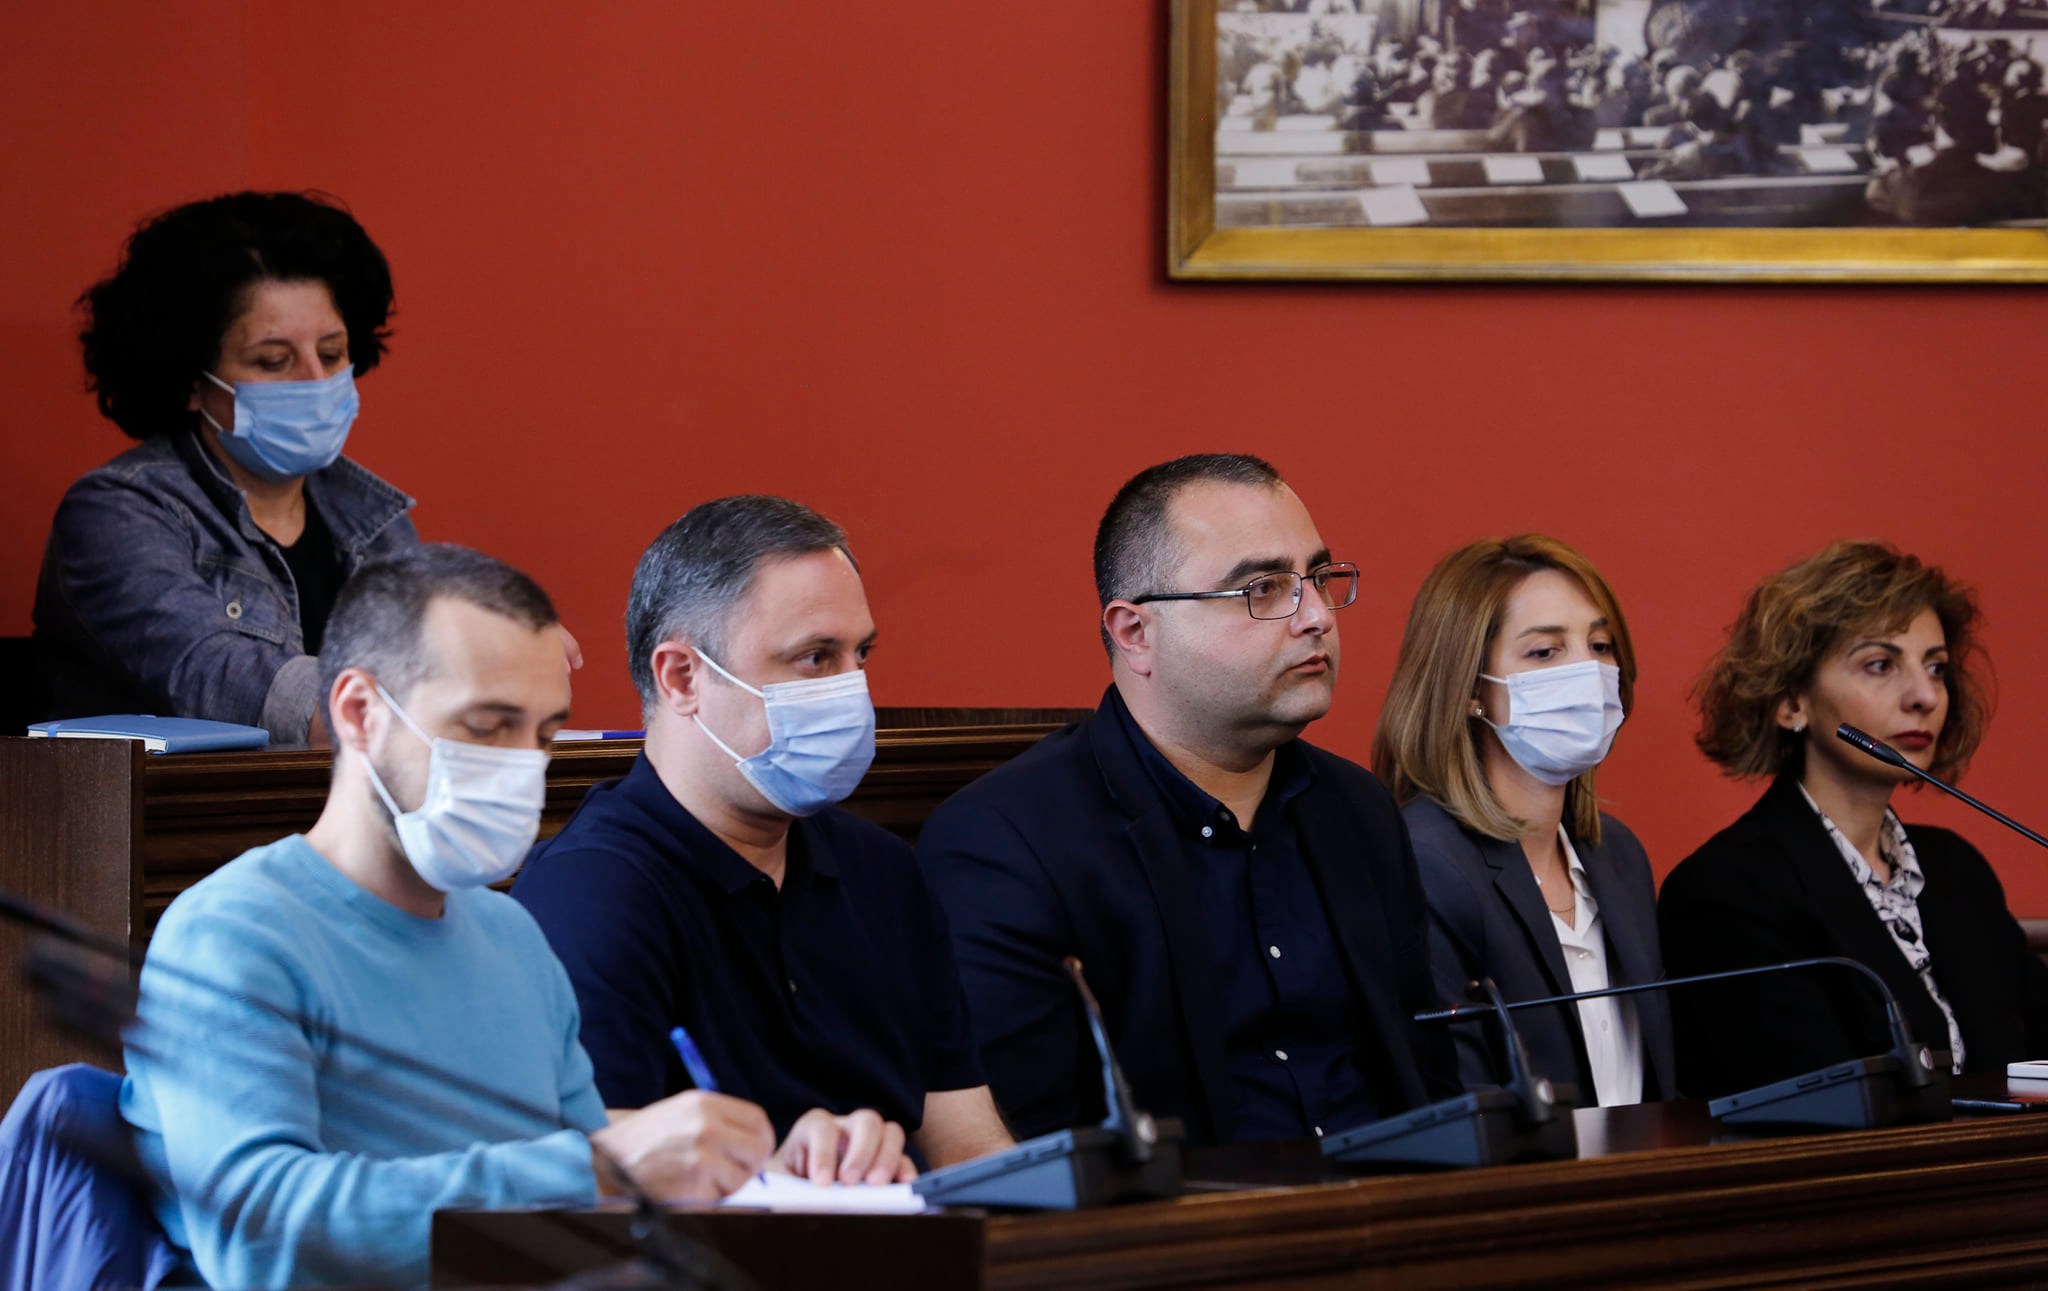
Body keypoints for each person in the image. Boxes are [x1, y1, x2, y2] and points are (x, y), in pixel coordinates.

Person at [120, 544, 889, 1289]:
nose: (524, 763)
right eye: (488, 726)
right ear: (359, 711)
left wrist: (769, 1172)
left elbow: (600, 1207)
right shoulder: (234, 934)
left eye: (543, 733)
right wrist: (601, 1166)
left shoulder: (510, 936)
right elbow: (260, 1241)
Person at [918, 454, 1457, 1148]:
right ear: (1135, 633)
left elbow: (1429, 1078)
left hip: (1392, 1203)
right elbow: (1028, 1148)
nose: (1318, 616)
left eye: (1320, 579)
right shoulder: (1006, 842)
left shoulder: (1357, 809)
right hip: (1176, 1214)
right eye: (1263, 588)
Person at [513, 497, 1011, 1174]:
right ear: (681, 677)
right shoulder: (589, 893)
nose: (853, 690)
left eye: (860, 654)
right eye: (815, 657)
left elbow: (969, 1143)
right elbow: (593, 1174)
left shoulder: (885, 870)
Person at [1660, 541, 2048, 1099]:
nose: (1924, 696)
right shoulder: (1728, 891)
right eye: (1880, 665)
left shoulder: (1956, 869)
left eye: (1935, 667)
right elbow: (1823, 1107)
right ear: (1792, 702)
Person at [34, 192, 420, 745]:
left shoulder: (375, 520)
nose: (316, 380)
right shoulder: (114, 512)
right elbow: (207, 669)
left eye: (332, 354)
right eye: (274, 360)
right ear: (192, 381)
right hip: (175, 801)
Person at [1372, 536, 1676, 1107]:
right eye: (1544, 652)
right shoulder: (1425, 863)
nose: (1588, 670)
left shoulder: (1619, 856)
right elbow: (1460, 1102)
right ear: (1469, 688)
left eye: (1601, 645)